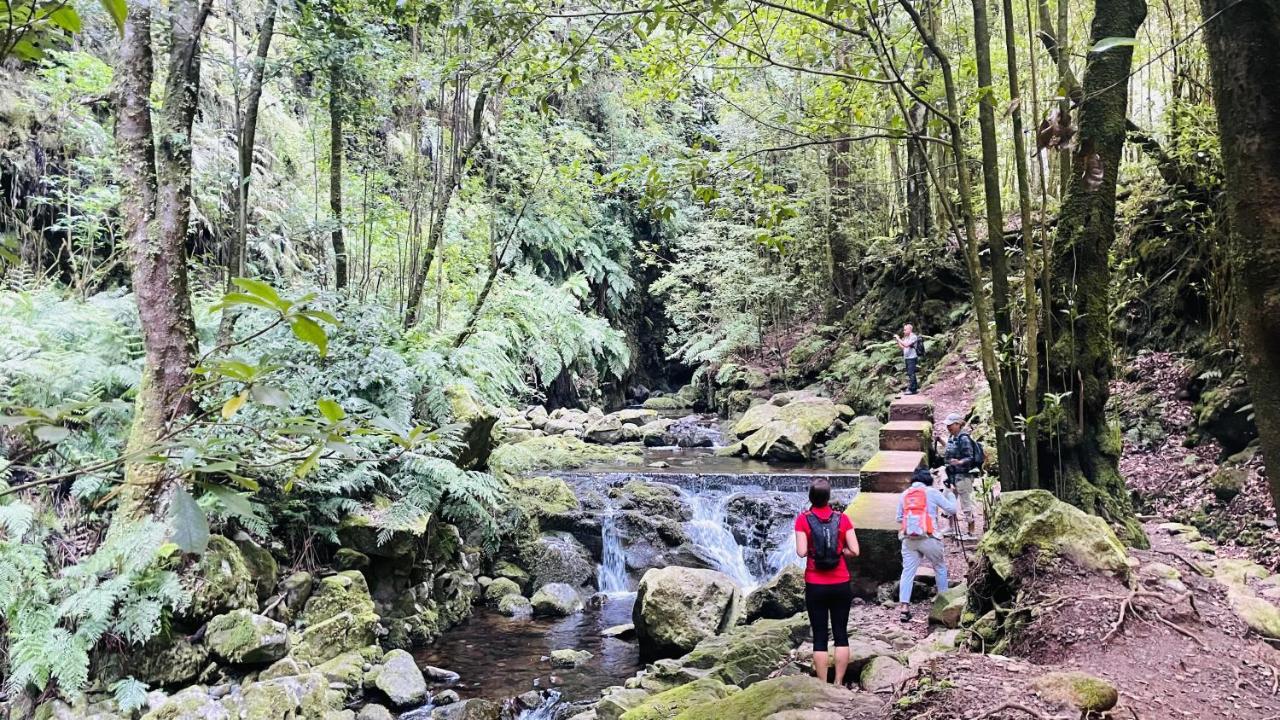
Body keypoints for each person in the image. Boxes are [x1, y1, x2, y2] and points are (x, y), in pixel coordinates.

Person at [793, 478, 859, 685]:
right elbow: (855, 550)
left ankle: (823, 684)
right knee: (841, 633)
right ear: (829, 497)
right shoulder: (843, 519)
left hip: (816, 584)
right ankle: (839, 682)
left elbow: (801, 551)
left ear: (810, 497)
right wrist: (841, 551)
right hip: (841, 583)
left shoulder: (803, 520)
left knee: (820, 636)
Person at [896, 467, 955, 622]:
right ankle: (944, 603)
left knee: (907, 572)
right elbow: (952, 510)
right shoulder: (932, 492)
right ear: (927, 480)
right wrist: (950, 493)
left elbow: (899, 518)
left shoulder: (904, 494)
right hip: (930, 537)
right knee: (939, 567)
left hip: (909, 539)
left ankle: (904, 608)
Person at [940, 412, 980, 540]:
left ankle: (971, 532)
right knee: (948, 501)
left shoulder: (964, 438)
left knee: (965, 503)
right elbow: (950, 449)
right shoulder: (953, 437)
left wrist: (959, 462)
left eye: (951, 425)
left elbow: (970, 457)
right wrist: (940, 440)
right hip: (951, 476)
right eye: (947, 425)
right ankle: (950, 527)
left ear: (958, 424)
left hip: (963, 476)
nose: (948, 427)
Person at [894, 323, 920, 394]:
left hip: (912, 358)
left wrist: (898, 338)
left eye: (905, 330)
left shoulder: (913, 337)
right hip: (907, 358)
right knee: (909, 373)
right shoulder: (906, 337)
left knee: (911, 373)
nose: (904, 331)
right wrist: (897, 341)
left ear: (910, 329)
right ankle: (913, 388)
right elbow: (903, 347)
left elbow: (906, 345)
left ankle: (912, 389)